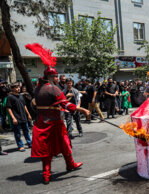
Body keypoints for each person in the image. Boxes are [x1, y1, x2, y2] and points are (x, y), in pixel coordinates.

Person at [25, 42, 90, 184]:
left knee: (46, 149)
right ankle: (69, 164)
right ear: (50, 77)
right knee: (65, 143)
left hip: (42, 122)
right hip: (54, 123)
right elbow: (66, 104)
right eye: (55, 76)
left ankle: (47, 173)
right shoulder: (54, 89)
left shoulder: (37, 89)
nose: (57, 78)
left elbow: (34, 103)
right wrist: (83, 109)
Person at [6, 83, 32, 152]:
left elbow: (24, 106)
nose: (18, 88)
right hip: (16, 118)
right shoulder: (10, 97)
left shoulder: (21, 96)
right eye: (16, 87)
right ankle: (20, 146)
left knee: (26, 131)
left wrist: (28, 114)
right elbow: (9, 108)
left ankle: (30, 143)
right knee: (17, 133)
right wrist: (13, 118)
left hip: (23, 117)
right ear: (12, 88)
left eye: (18, 87)